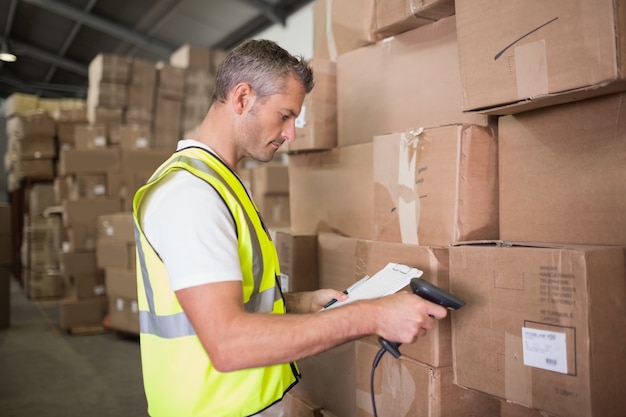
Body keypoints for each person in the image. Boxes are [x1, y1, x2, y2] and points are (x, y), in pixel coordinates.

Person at [132, 39, 448, 417]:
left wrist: (298, 303)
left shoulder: (218, 184)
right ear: (243, 97)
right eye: (285, 115)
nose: (291, 133)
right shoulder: (191, 196)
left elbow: (230, 298)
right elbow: (228, 343)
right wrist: (373, 315)